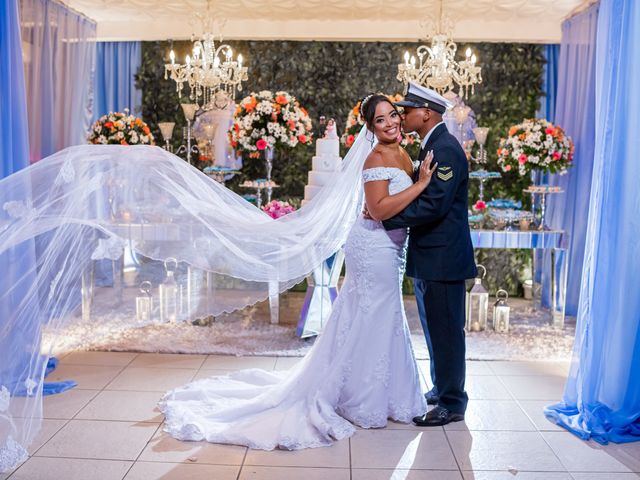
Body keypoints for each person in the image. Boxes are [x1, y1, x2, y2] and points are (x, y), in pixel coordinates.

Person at [158, 94, 437, 449]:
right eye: (380, 120)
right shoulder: (376, 157)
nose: (391, 123)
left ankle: (386, 392)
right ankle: (362, 398)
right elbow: (379, 210)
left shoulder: (400, 150)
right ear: (369, 127)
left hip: (392, 248)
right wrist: (420, 185)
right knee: (374, 314)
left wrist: (413, 185)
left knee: (379, 315)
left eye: (393, 115)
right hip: (374, 246)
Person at [383, 82, 477, 427]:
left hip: (444, 259)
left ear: (427, 113)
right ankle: (441, 389)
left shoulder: (445, 149)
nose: (403, 115)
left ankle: (453, 403)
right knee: (436, 329)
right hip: (431, 258)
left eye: (408, 110)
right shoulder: (432, 145)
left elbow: (434, 204)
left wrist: (386, 216)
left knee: (448, 332)